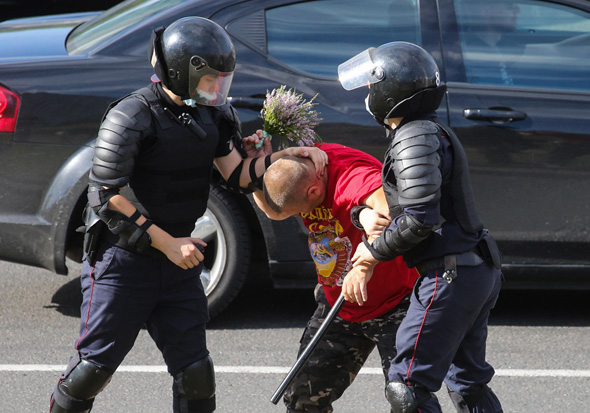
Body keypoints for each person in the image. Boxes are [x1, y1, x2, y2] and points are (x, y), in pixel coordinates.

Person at [48, 17, 327, 413]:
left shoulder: (213, 114)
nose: (218, 89)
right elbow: (105, 195)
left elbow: (237, 175)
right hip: (124, 262)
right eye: (210, 80)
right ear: (179, 72)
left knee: (196, 374)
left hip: (180, 264)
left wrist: (278, 157)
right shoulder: (132, 115)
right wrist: (168, 244)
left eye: (222, 80)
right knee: (90, 371)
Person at [338, 42, 504, 413]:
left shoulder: (413, 136)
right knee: (468, 383)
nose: (368, 94)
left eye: (370, 86)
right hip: (473, 270)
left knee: (407, 386)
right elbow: (408, 205)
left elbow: (420, 219)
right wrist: (362, 217)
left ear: (388, 91)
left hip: (450, 274)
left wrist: (372, 252)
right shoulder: (427, 131)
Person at [253, 143, 418, 412]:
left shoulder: (351, 178)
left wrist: (364, 263)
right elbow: (278, 210)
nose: (298, 217)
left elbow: (395, 212)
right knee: (302, 400)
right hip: (339, 302)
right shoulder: (305, 164)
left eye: (301, 211)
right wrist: (255, 172)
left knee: (408, 402)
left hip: (397, 303)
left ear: (315, 191)